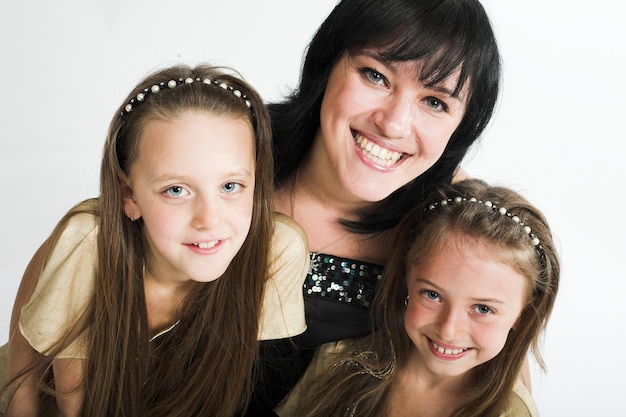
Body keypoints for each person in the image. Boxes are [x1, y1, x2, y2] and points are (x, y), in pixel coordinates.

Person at [0, 64, 309, 417]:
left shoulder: (279, 249)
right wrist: (20, 399)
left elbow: (232, 392)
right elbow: (79, 406)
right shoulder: (90, 242)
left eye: (230, 186)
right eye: (176, 190)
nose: (209, 219)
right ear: (130, 196)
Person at [258, 0, 502, 412]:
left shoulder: (460, 222)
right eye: (376, 76)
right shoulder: (226, 154)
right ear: (327, 63)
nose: (393, 124)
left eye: (435, 102)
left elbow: (499, 381)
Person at [276, 178, 560, 417]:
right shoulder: (339, 360)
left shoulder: (512, 412)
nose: (449, 329)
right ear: (407, 281)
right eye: (432, 295)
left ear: (523, 315)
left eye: (483, 309)